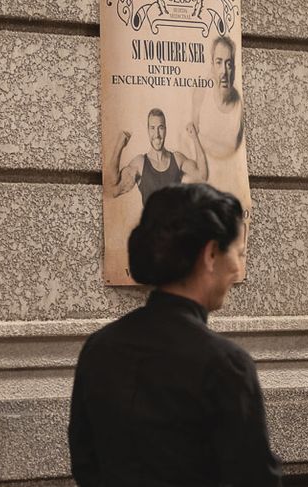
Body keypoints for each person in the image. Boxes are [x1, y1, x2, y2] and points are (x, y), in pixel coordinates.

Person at [69, 184, 283, 487]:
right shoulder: (225, 364)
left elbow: (85, 463)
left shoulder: (98, 348)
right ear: (210, 254)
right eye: (239, 253)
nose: (237, 269)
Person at [104, 108, 208, 206]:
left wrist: (195, 137)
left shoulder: (177, 159)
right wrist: (119, 147)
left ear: (166, 130)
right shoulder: (140, 164)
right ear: (148, 131)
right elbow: (111, 190)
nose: (157, 134)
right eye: (152, 128)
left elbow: (202, 175)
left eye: (160, 128)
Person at [192, 35, 242, 159]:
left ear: (234, 71)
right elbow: (193, 139)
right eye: (219, 63)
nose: (224, 71)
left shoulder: (240, 105)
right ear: (212, 66)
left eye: (228, 64)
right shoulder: (201, 94)